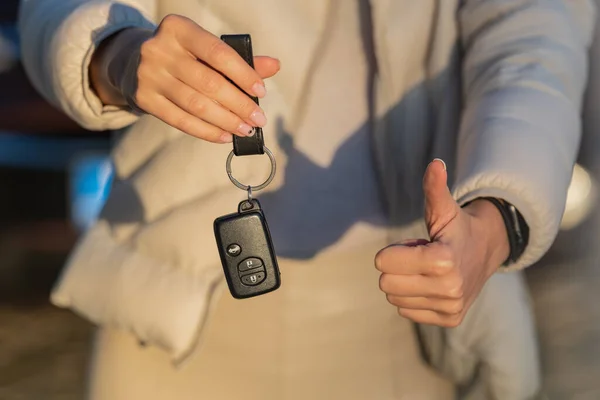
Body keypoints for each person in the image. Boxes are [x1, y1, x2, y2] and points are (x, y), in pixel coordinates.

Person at [18, 0, 595, 399]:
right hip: (178, 317)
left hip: (412, 318)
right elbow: (56, 9)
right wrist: (114, 55)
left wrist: (495, 221)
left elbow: (532, 43)